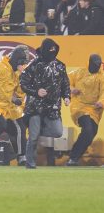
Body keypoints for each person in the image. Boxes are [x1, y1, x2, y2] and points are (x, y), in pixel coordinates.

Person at [19, 39, 70, 169]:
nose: (52, 54)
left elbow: (65, 83)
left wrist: (67, 96)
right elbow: (23, 83)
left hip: (53, 106)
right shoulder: (34, 64)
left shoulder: (60, 65)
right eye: (50, 51)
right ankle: (30, 163)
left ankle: (37, 129)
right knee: (33, 138)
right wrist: (36, 92)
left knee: (58, 132)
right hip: (35, 106)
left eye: (54, 51)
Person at [67, 54, 104, 166]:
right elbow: (65, 81)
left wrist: (101, 102)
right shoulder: (79, 72)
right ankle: (73, 157)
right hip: (79, 106)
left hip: (95, 109)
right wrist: (72, 89)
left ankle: (73, 158)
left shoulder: (102, 77)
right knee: (88, 130)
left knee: (91, 133)